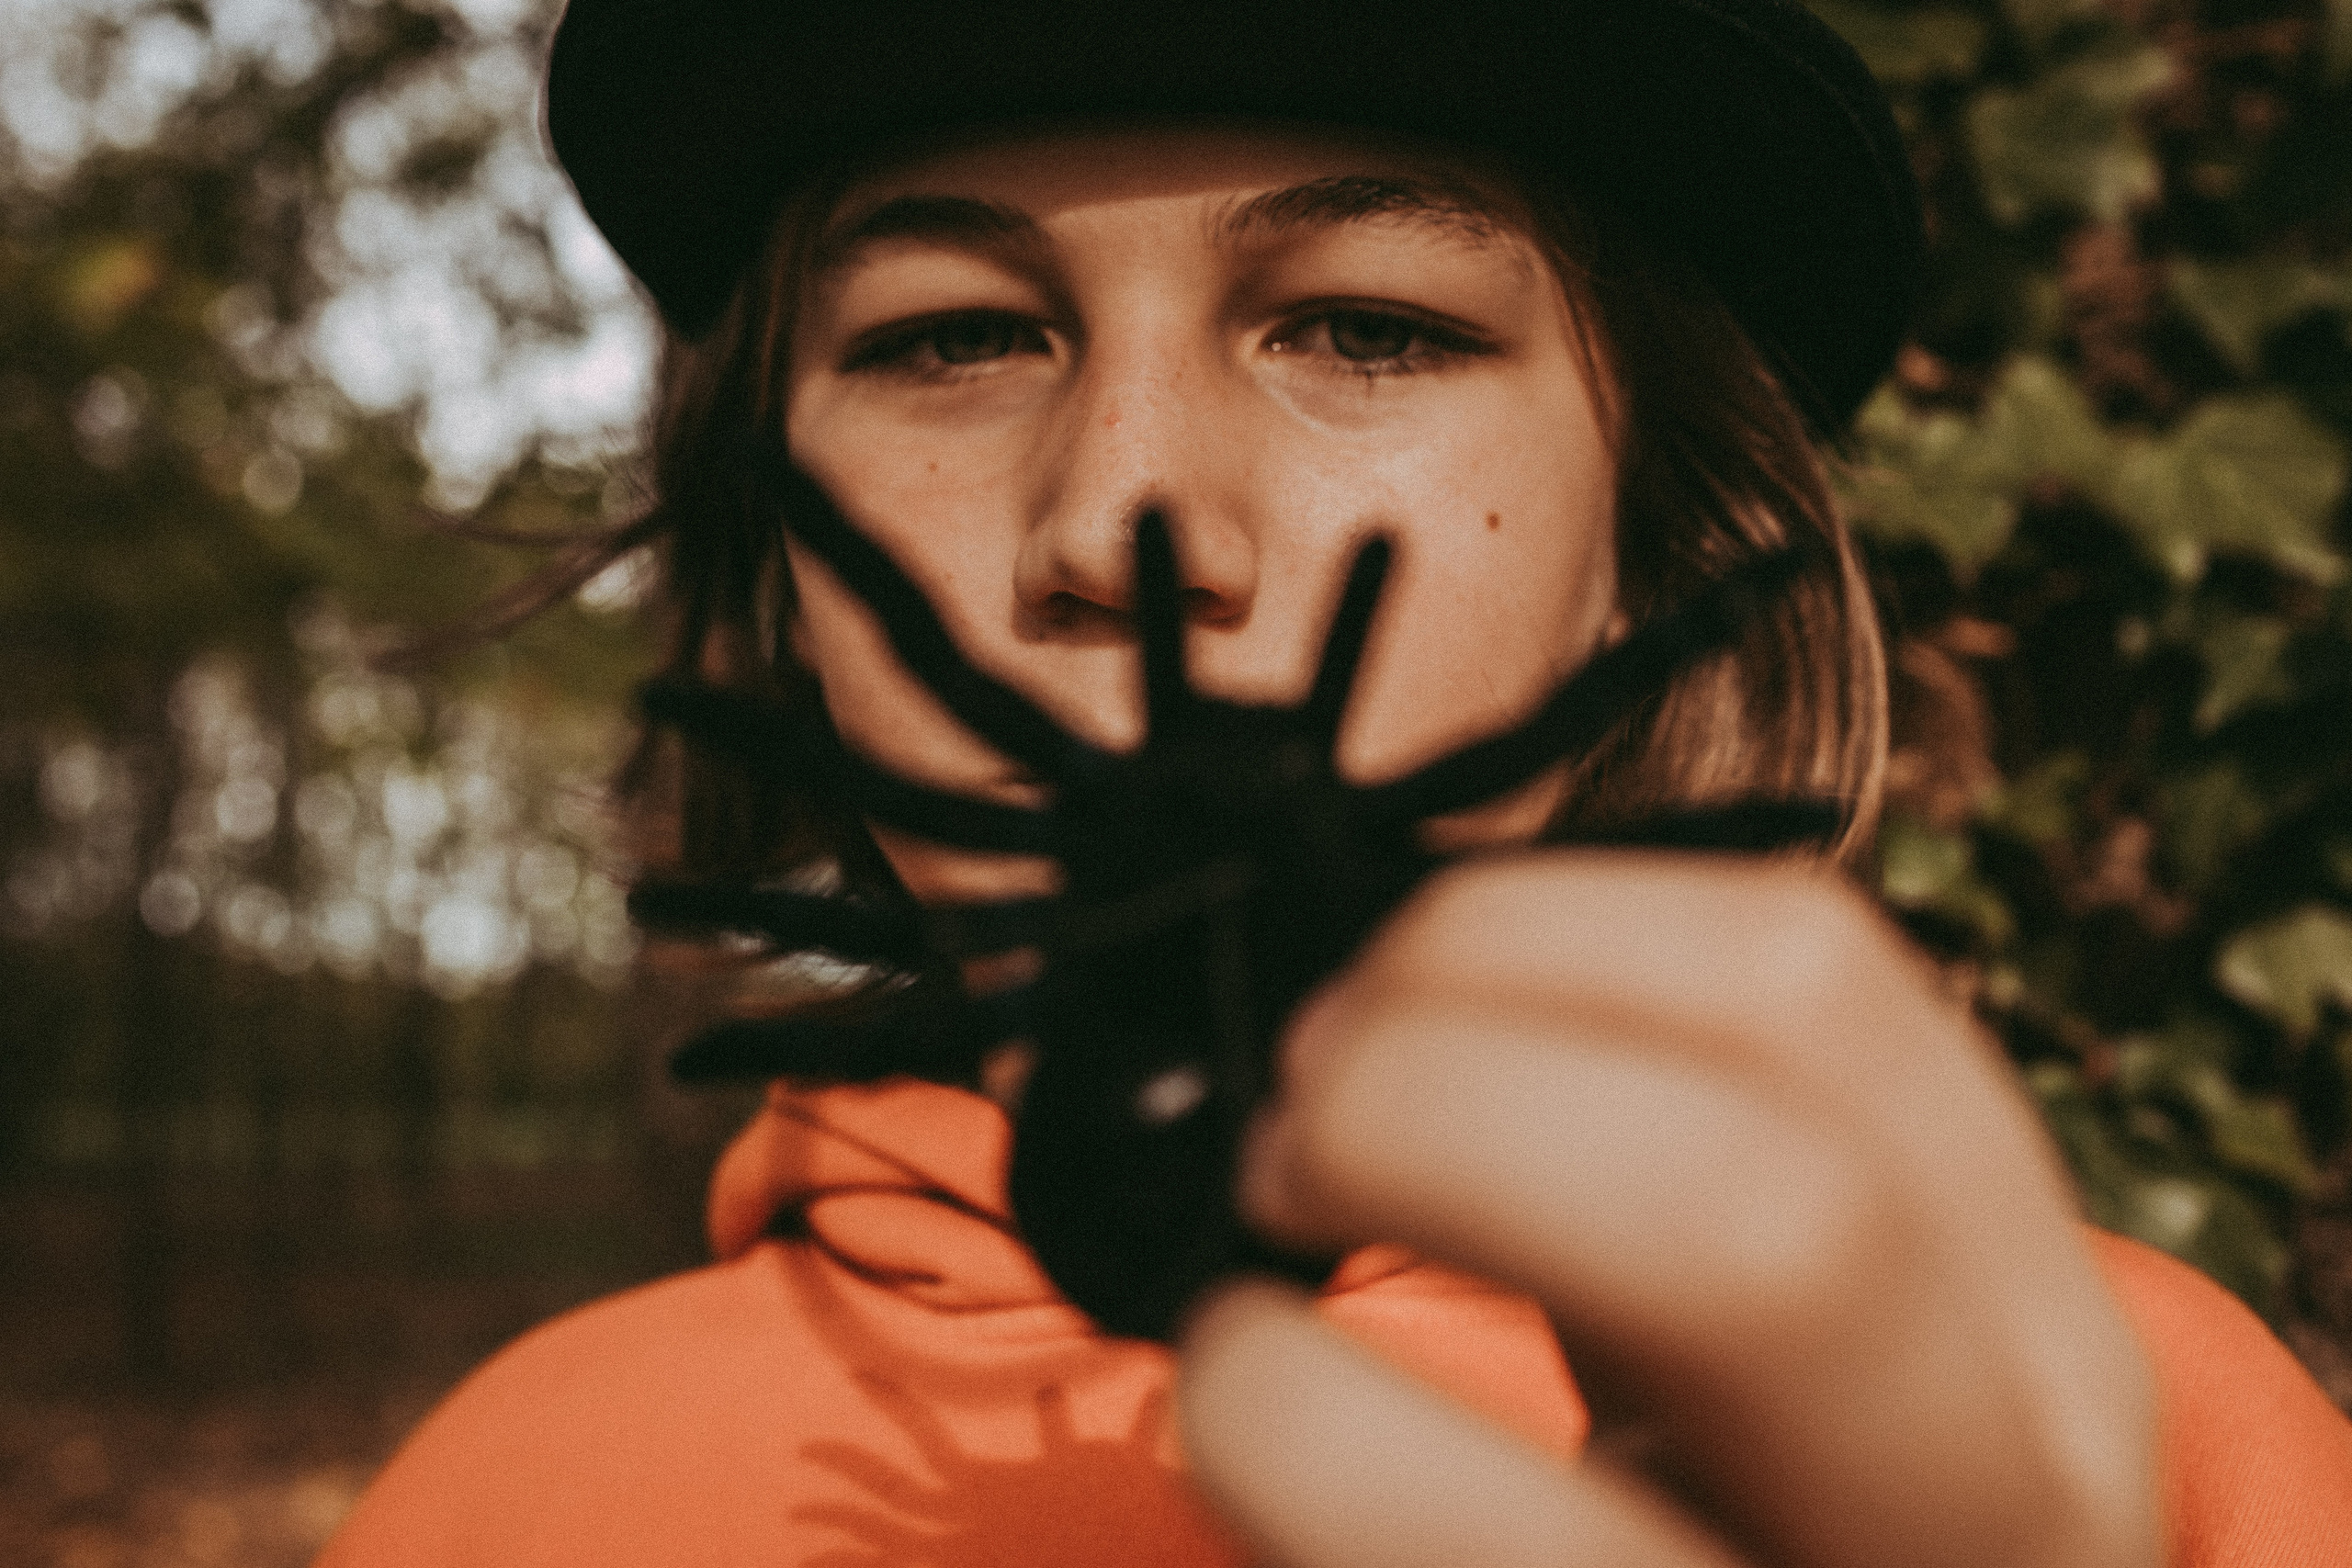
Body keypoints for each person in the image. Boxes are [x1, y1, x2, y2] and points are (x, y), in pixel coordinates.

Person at [318, 2, 2352, 1563]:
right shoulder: (511, 1493)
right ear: (781, 575)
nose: (1124, 516)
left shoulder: (2128, 1442)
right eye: (949, 338)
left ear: (1651, 544)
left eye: (1367, 327)